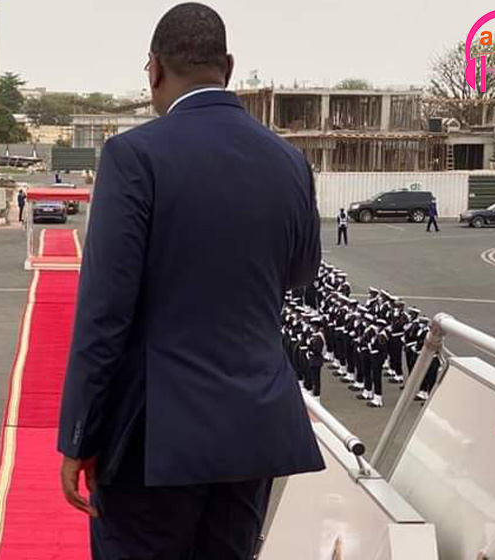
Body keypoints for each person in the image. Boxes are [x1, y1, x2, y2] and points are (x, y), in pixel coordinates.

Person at [57, 4, 324, 558]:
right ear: (227, 66)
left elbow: (106, 312)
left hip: (155, 436)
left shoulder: (135, 155)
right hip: (252, 429)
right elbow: (302, 273)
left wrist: (79, 436)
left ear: (153, 69)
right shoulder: (289, 162)